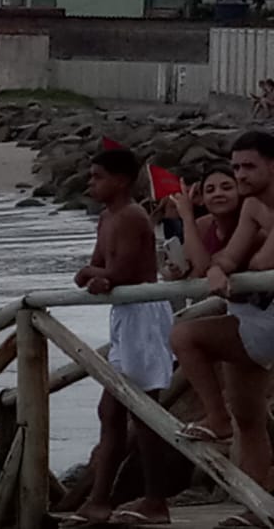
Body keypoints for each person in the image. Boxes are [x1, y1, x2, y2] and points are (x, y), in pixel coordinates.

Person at [66, 147, 174, 527]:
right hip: (124, 315)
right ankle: (99, 499)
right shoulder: (107, 218)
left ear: (122, 180)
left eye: (98, 176)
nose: (90, 182)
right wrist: (94, 274)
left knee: (143, 412)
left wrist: (97, 275)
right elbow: (101, 265)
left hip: (142, 313)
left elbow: (124, 270)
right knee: (109, 411)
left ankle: (155, 500)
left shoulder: (131, 215)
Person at [171, 131, 274, 519]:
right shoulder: (251, 208)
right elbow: (229, 258)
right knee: (248, 417)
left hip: (269, 318)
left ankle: (215, 418)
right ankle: (257, 506)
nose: (241, 175)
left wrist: (234, 267)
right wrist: (218, 269)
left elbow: (263, 262)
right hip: (252, 316)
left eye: (249, 166)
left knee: (185, 335)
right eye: (235, 166)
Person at [161, 164, 241, 280]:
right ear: (203, 199)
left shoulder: (249, 223)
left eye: (226, 188)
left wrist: (187, 216)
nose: (218, 194)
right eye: (210, 190)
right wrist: (175, 270)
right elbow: (186, 265)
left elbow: (203, 269)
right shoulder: (202, 225)